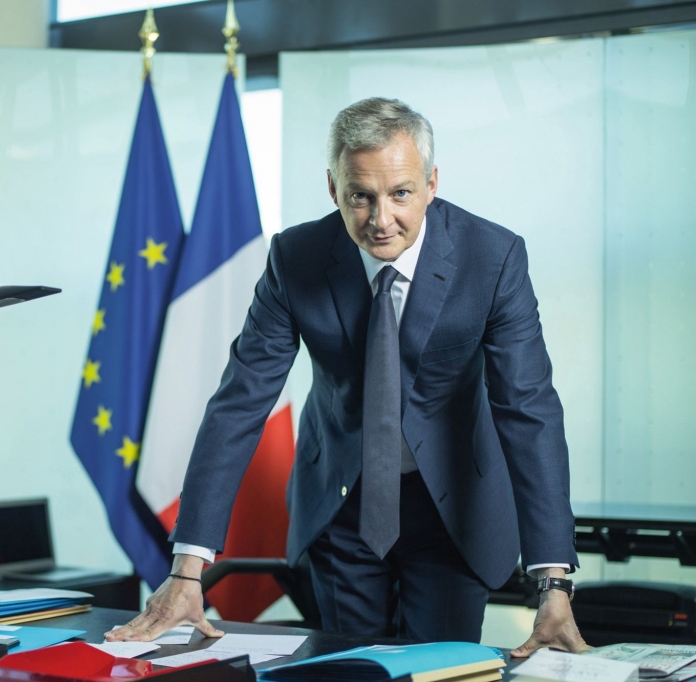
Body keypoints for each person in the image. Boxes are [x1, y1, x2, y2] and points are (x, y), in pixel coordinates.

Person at [105, 97, 587, 655]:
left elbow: (527, 409)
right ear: (334, 189)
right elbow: (241, 401)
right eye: (361, 196)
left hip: (454, 508)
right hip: (341, 504)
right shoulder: (296, 257)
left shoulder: (492, 258)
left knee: (440, 668)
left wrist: (553, 582)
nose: (381, 220)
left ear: (431, 183)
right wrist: (188, 567)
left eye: (400, 193)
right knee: (348, 668)